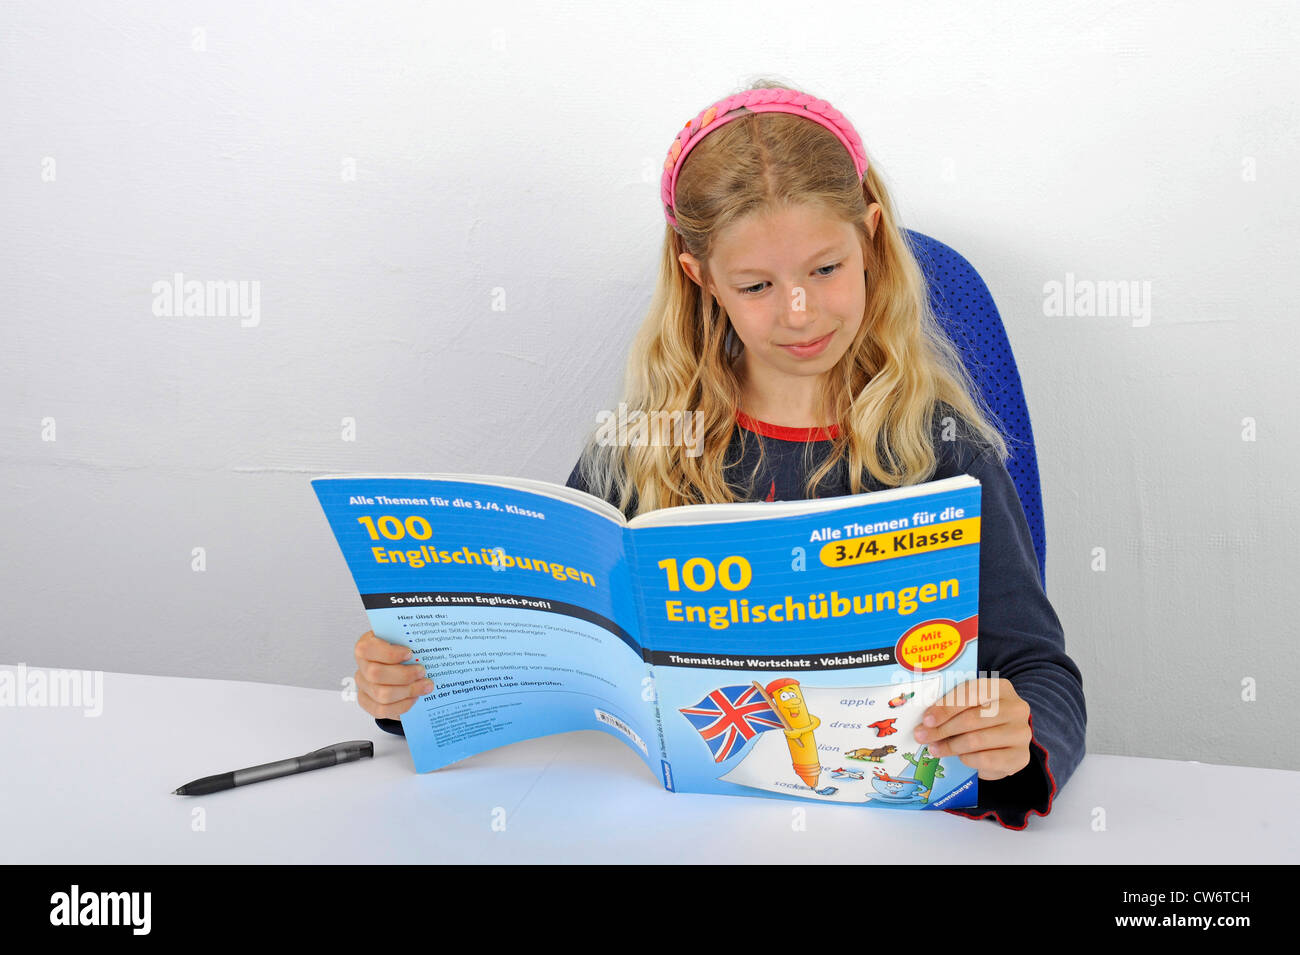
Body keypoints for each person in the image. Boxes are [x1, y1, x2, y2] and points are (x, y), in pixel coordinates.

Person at [354, 78, 1086, 830]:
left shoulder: (939, 448)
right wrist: (413, 691)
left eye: (826, 269)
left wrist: (1018, 741)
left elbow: (1044, 676)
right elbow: (546, 653)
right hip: (668, 828)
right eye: (758, 284)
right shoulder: (644, 447)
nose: (799, 312)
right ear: (700, 278)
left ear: (870, 238)